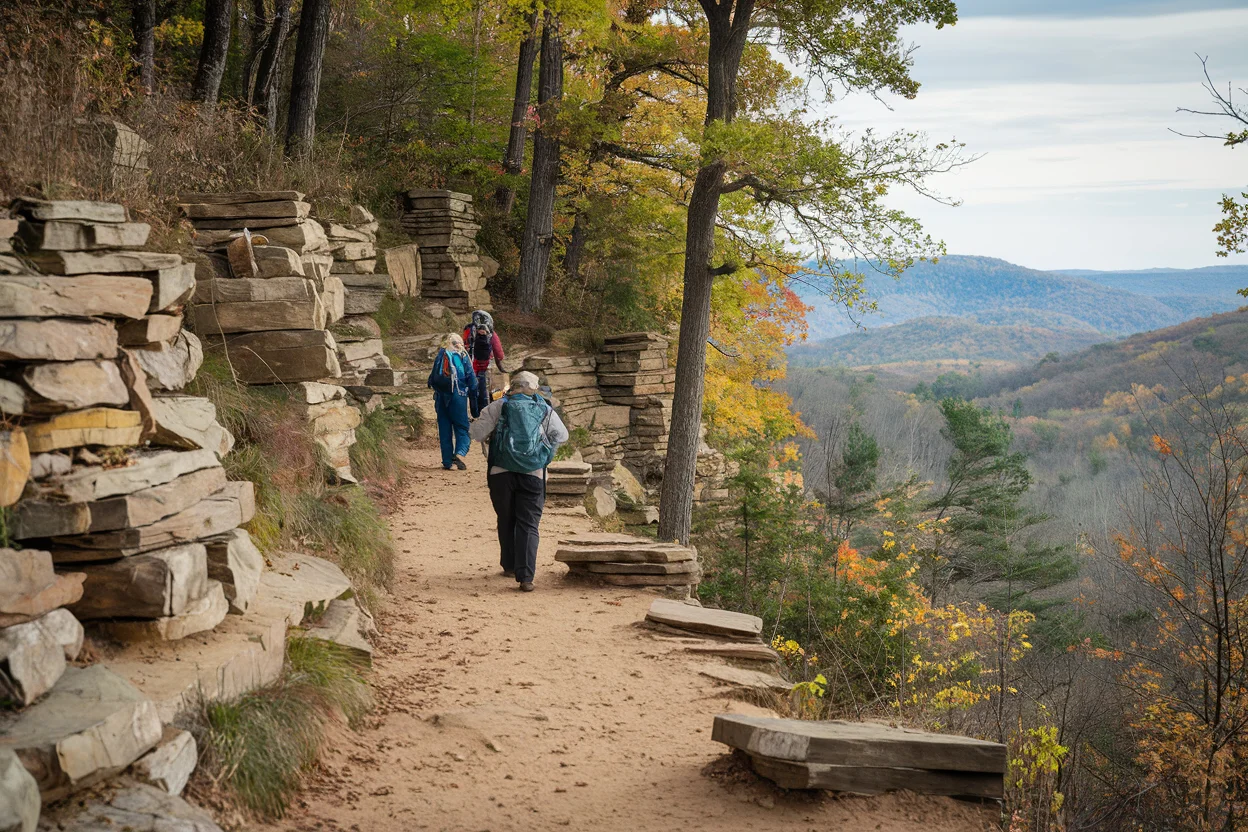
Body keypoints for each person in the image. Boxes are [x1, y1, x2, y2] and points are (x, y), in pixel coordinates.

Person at [469, 371, 568, 592]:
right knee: (529, 523)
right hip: (533, 472)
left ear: (511, 387)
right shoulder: (544, 408)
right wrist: (546, 455)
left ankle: (509, 566)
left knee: (506, 517)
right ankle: (526, 577)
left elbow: (475, 433)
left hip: (500, 472)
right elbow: (561, 436)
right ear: (534, 388)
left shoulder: (498, 406)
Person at [427, 333, 477, 471]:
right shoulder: (462, 355)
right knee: (462, 427)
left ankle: (447, 461)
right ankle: (459, 453)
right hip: (457, 396)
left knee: (444, 428)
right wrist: (475, 402)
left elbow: (431, 379)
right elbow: (472, 380)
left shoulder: (441, 355)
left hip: (440, 397)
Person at [462, 310, 506, 418]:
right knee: (486, 390)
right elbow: (499, 352)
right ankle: (486, 413)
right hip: (486, 367)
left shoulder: (469, 330)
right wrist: (499, 360)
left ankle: (474, 413)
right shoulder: (491, 333)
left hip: (470, 366)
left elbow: (462, 345)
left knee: (472, 390)